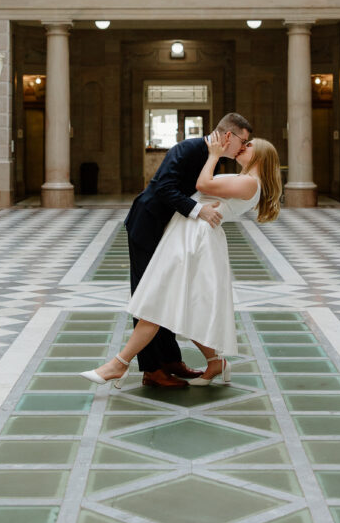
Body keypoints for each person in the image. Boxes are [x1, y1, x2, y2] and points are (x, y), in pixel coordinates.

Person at [80, 132, 281, 389]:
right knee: (176, 304)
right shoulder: (245, 179)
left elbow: (203, 185)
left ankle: (119, 364)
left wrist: (213, 156)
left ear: (262, 157)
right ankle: (213, 361)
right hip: (188, 235)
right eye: (244, 141)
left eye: (249, 145)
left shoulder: (250, 183)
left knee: (160, 301)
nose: (244, 146)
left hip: (195, 239)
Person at [118, 112, 252, 388]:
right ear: (229, 136)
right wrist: (198, 211)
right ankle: (152, 370)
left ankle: (170, 361)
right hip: (148, 225)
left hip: (169, 231)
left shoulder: (211, 159)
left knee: (166, 293)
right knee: (150, 296)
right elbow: (164, 188)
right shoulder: (188, 148)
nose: (243, 148)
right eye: (243, 141)